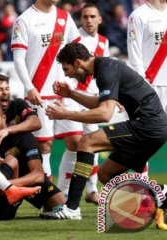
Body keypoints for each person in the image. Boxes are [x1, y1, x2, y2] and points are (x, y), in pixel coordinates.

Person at [42, 43, 167, 224]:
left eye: (67, 69)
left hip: (148, 125)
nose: (67, 74)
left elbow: (104, 114)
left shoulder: (105, 70)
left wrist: (65, 114)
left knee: (86, 142)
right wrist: (70, 93)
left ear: (78, 63)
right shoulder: (106, 67)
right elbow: (99, 103)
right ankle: (160, 192)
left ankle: (71, 208)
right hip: (153, 126)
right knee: (105, 174)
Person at [11, 0, 83, 180]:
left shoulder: (64, 17)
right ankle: (49, 193)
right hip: (39, 93)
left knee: (76, 142)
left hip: (66, 91)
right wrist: (29, 88)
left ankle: (66, 194)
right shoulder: (24, 20)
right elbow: (18, 59)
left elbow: (77, 50)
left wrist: (77, 81)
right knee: (44, 146)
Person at [0, 102, 65, 220]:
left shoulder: (23, 137)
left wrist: (6, 185)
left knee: (61, 204)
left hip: (26, 181)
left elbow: (38, 175)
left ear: (4, 118)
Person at [57, 3, 109, 205]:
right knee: (73, 145)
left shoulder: (104, 41)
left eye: (92, 16)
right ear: (81, 19)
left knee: (93, 144)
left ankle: (92, 190)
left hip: (93, 98)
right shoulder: (73, 38)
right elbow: (63, 64)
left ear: (99, 19)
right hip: (72, 96)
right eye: (85, 16)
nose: (88, 20)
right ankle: (62, 192)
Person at [127, 0, 167, 113]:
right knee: (155, 129)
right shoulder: (138, 16)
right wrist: (142, 86)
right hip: (152, 84)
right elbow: (134, 54)